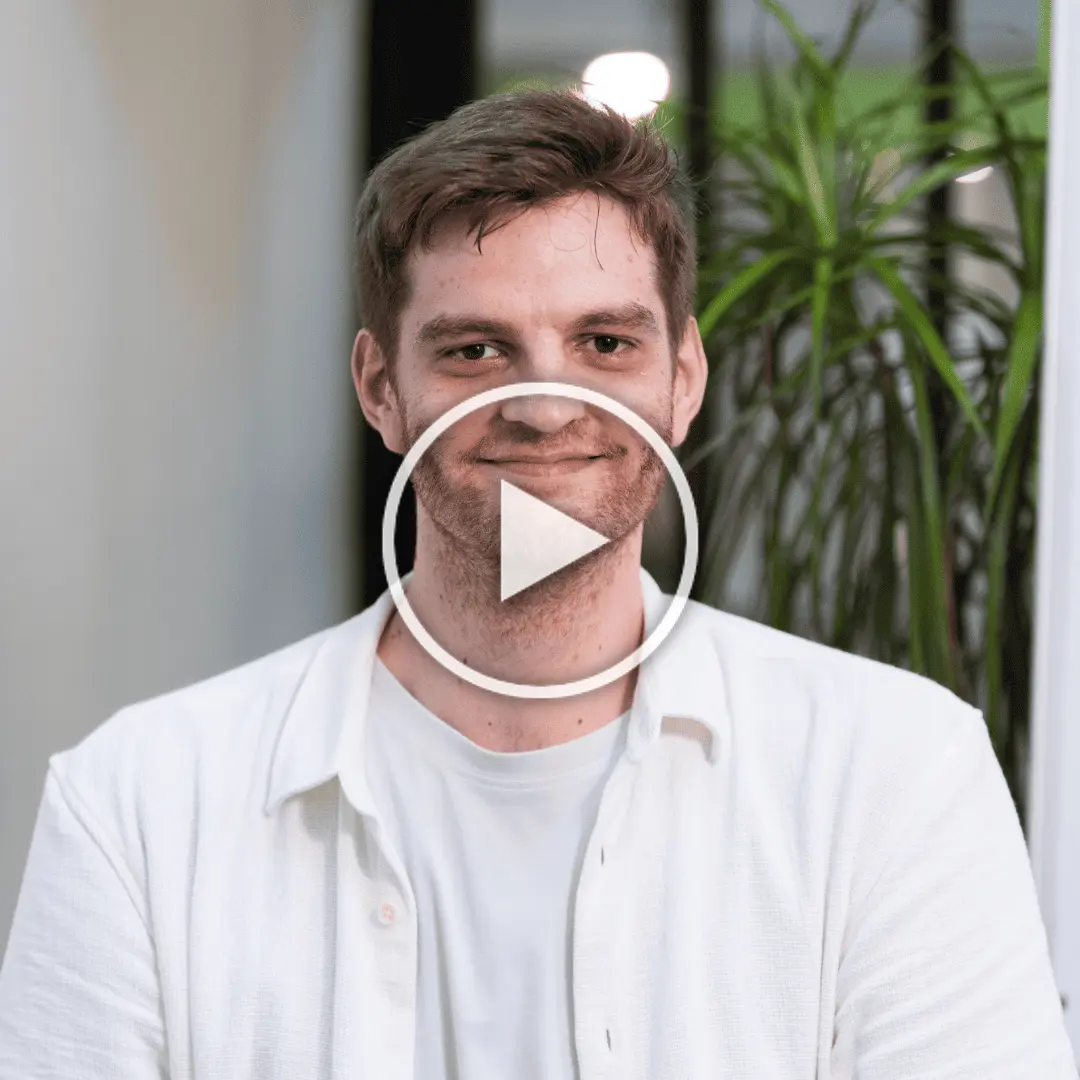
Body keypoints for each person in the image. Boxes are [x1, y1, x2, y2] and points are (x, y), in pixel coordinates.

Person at [0, 90, 1074, 1080]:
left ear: (683, 379)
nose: (546, 407)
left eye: (604, 342)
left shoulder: (894, 775)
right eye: (475, 350)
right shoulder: (137, 805)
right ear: (382, 387)